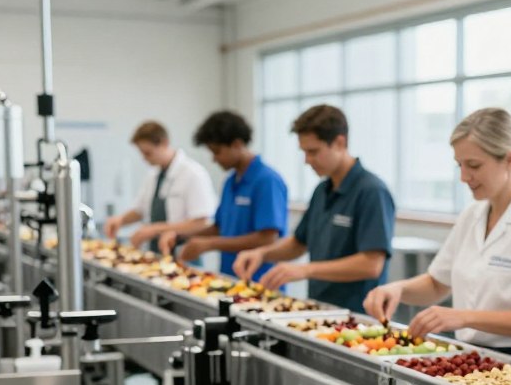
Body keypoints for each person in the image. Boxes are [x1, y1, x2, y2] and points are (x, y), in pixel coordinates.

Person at [362, 108, 511, 367]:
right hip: (472, 357)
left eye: (474, 165)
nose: (464, 177)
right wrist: (396, 289)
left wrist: (462, 317)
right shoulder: (473, 215)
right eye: (459, 165)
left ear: (509, 159)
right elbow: (437, 284)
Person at [233, 105, 394, 313]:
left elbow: (371, 265)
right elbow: (299, 243)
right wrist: (261, 253)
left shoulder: (372, 191)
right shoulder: (322, 190)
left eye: (313, 152)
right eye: (304, 152)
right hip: (320, 309)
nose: (307, 161)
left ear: (339, 143)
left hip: (357, 317)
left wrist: (305, 270)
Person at [158, 110, 288, 280]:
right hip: (230, 276)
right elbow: (219, 228)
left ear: (237, 144)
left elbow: (268, 239)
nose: (214, 159)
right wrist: (180, 236)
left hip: (260, 280)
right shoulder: (230, 182)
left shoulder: (267, 181)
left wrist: (209, 244)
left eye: (217, 152)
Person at [102, 121, 215, 253]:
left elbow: (201, 223)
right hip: (156, 251)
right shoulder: (153, 175)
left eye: (148, 153)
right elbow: (140, 210)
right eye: (142, 154)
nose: (144, 159)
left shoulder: (193, 174)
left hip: (183, 251)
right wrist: (120, 220)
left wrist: (154, 229)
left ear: (164, 143)